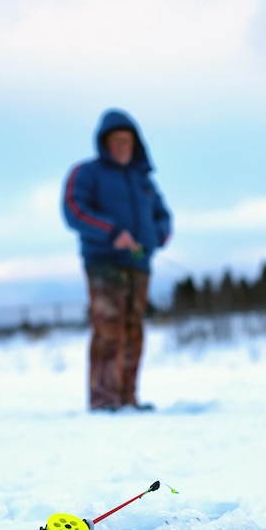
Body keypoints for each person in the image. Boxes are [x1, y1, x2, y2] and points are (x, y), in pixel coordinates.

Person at [62, 108, 172, 412]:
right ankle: (104, 399)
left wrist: (157, 237)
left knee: (134, 329)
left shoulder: (144, 181)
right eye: (117, 141)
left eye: (128, 141)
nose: (123, 146)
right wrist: (111, 232)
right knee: (110, 329)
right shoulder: (86, 173)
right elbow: (74, 209)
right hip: (103, 263)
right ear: (105, 143)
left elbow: (163, 216)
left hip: (139, 264)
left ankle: (127, 398)